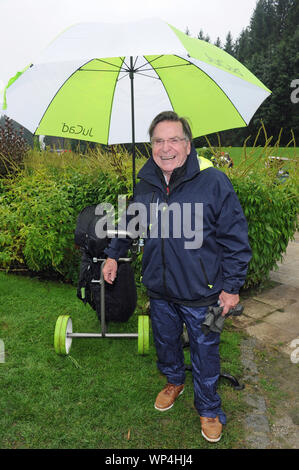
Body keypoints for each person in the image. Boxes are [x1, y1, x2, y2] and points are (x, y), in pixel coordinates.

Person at [102, 111, 251, 443]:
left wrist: (232, 287)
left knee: (206, 351)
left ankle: (209, 408)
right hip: (159, 291)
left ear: (187, 144)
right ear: (151, 145)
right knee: (166, 343)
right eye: (158, 141)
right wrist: (113, 254)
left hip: (206, 295)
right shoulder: (146, 182)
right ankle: (173, 381)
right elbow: (131, 224)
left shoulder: (214, 182)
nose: (165, 148)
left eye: (173, 140)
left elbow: (236, 239)